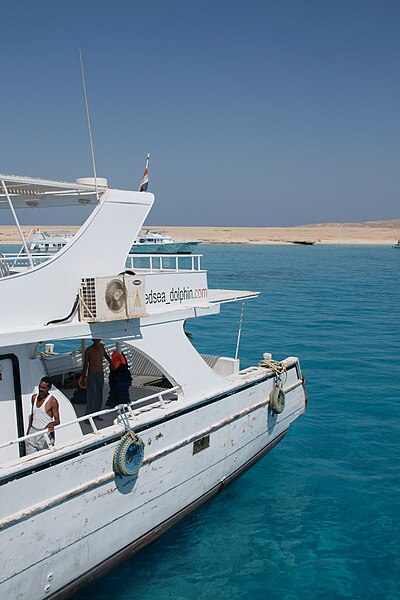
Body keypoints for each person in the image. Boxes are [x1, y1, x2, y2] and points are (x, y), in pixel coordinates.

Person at [26, 376, 60, 454]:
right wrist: (28, 431)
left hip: (45, 433)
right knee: (30, 458)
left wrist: (51, 424)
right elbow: (33, 415)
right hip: (33, 432)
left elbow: (57, 420)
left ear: (49, 388)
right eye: (40, 387)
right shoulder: (34, 398)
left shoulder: (52, 401)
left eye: (43, 388)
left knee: (45, 456)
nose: (41, 389)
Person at [82, 339, 112, 418]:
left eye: (98, 340)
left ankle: (97, 413)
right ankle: (88, 415)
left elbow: (106, 355)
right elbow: (86, 364)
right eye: (95, 340)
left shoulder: (101, 347)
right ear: (93, 340)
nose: (97, 341)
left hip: (100, 373)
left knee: (99, 393)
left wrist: (111, 363)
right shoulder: (89, 350)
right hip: (92, 374)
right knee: (91, 394)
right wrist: (83, 377)